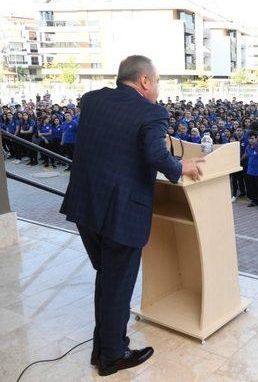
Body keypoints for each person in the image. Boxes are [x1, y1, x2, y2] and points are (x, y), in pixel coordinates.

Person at [60, 55, 204, 376]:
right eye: (157, 82)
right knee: (118, 283)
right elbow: (155, 154)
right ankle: (113, 355)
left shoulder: (93, 101)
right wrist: (182, 167)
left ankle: (102, 347)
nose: (157, 89)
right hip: (121, 214)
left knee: (107, 277)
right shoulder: (151, 112)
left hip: (86, 207)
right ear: (144, 81)